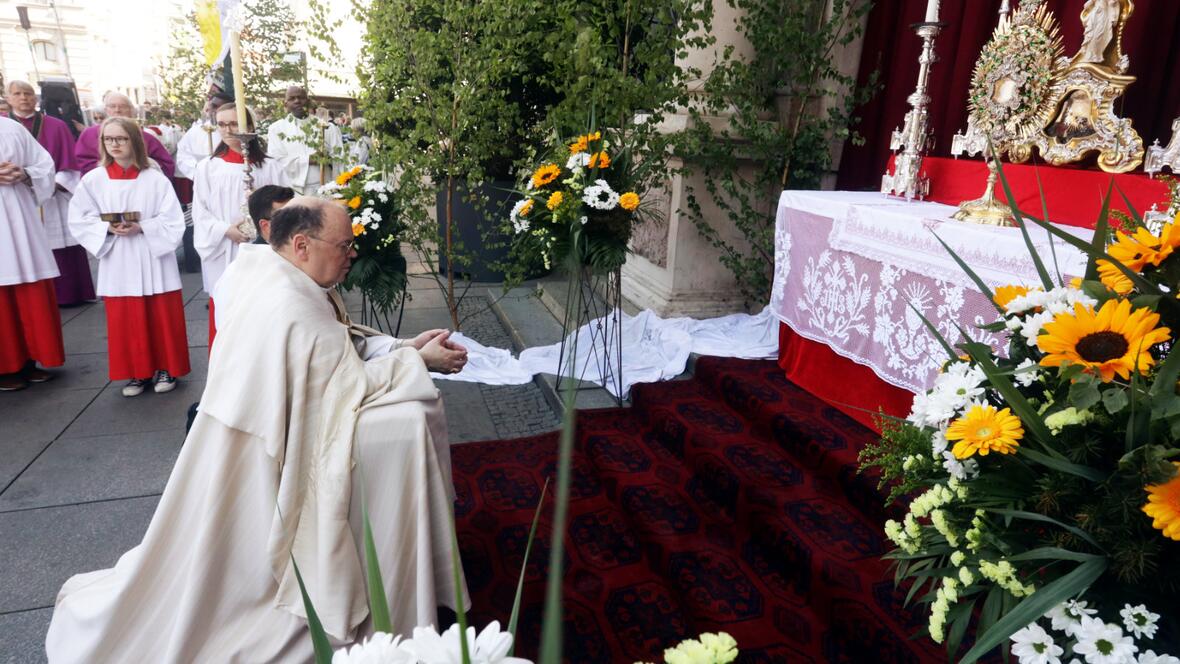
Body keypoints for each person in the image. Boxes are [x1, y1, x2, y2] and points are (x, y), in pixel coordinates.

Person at [47, 197, 468, 662]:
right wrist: (418, 362)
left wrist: (402, 347)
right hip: (258, 463)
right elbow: (340, 384)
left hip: (238, 436)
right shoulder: (289, 303)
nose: (353, 254)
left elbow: (334, 346)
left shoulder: (272, 271)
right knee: (408, 420)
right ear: (302, 245)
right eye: (344, 245)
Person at [68, 118, 189, 396]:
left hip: (152, 255)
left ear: (134, 141)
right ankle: (138, 371)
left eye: (121, 138)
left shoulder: (154, 179)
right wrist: (106, 229)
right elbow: (79, 218)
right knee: (126, 318)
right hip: (118, 257)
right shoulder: (93, 180)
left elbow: (173, 219)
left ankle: (166, 368)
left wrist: (142, 227)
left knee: (161, 314)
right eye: (108, 139)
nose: (114, 144)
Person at [192, 103, 288, 347]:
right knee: (228, 311)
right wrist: (225, 230)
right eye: (222, 124)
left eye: (234, 123)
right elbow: (200, 211)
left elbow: (286, 207)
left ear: (250, 126)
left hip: (264, 249)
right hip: (225, 248)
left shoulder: (271, 167)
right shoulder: (208, 168)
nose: (227, 130)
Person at [5, 80, 95, 306]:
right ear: (8, 98)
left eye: (28, 93)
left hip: (55, 193)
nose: (24, 98)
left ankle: (70, 294)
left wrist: (50, 183)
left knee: (64, 247)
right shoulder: (5, 127)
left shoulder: (56, 125)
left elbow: (71, 163)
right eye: (18, 93)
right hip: (15, 198)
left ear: (36, 98)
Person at [0, 116, 63, 392]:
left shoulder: (10, 128)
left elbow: (44, 164)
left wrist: (25, 174)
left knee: (30, 287)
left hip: (19, 216)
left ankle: (29, 360)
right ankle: (5, 366)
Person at [74, 92, 175, 177]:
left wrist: (140, 165)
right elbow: (81, 162)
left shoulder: (146, 137)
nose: (117, 110)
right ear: (106, 110)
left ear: (131, 111)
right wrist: (112, 168)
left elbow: (166, 165)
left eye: (123, 106)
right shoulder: (89, 134)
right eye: (112, 106)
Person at [267, 86, 344, 194]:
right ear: (285, 104)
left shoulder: (326, 126)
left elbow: (340, 158)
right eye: (292, 98)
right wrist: (308, 160)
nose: (297, 101)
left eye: (301, 97)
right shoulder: (276, 129)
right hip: (295, 191)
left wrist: (329, 160)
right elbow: (277, 161)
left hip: (326, 187)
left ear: (308, 101)